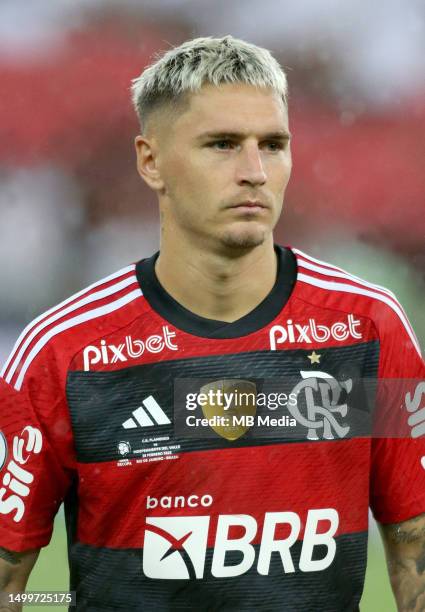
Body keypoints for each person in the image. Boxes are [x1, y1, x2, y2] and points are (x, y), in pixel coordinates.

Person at [0, 35, 424, 612]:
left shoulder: (367, 332)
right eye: (222, 144)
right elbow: (9, 579)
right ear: (151, 162)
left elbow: (414, 551)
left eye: (272, 145)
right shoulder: (66, 354)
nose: (254, 171)